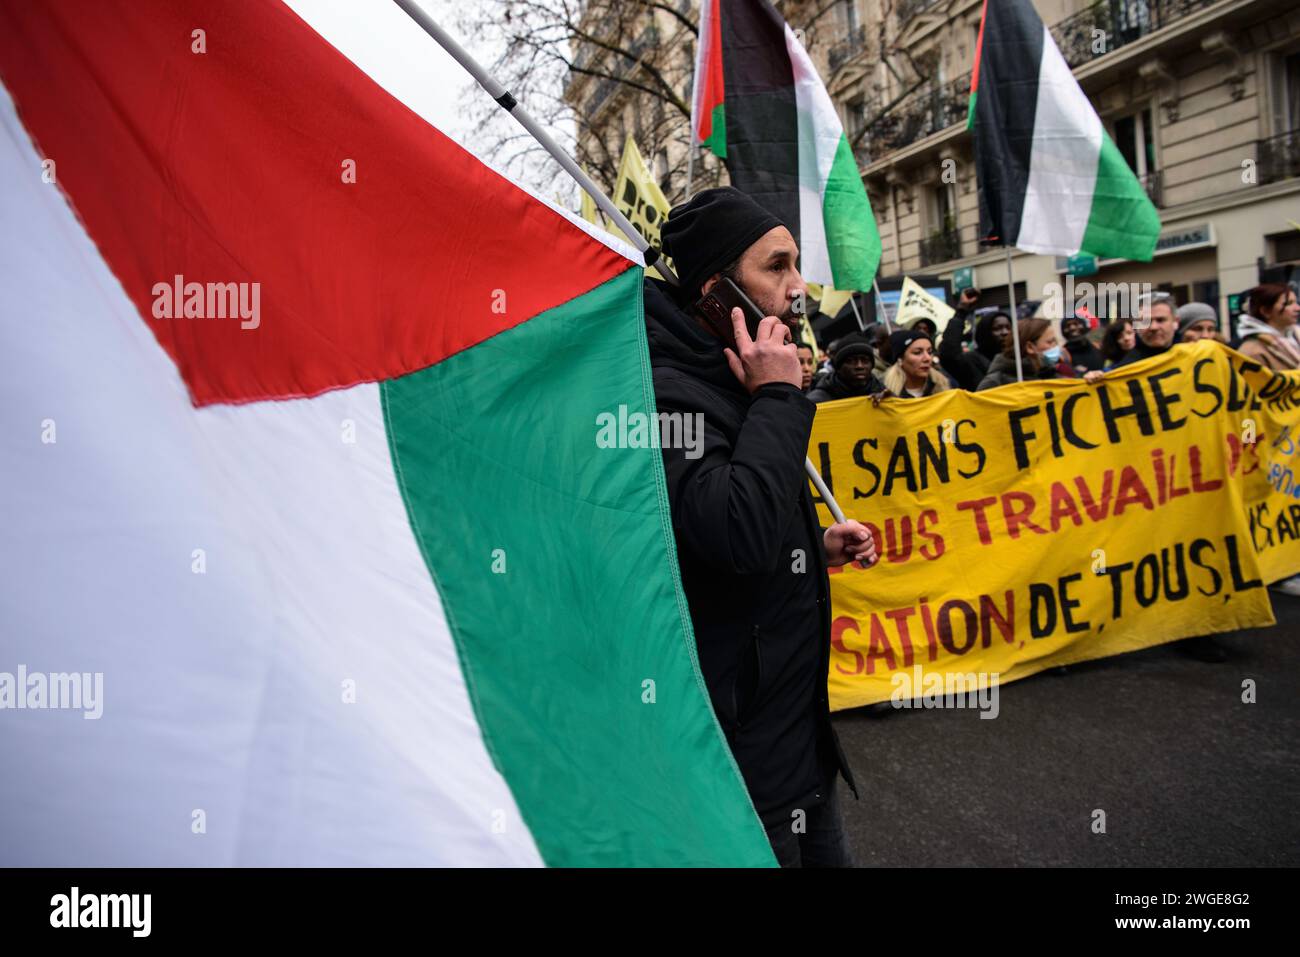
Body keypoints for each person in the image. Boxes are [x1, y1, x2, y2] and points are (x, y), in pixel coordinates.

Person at [647, 186, 876, 866]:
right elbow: (734, 533)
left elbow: (756, 520)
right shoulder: (665, 390)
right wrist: (778, 396)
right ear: (718, 292)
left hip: (799, 745)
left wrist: (813, 546)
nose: (797, 287)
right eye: (776, 266)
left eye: (796, 264)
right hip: (739, 767)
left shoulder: (736, 373)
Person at [977, 318, 1102, 390]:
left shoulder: (1056, 375)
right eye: (1050, 342)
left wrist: (1089, 380)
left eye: (1056, 341)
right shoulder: (995, 383)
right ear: (1030, 347)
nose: (1056, 347)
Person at [937, 288, 1012, 391]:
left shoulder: (1018, 360)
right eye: (997, 328)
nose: (1005, 332)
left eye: (1008, 328)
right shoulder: (972, 361)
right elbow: (948, 354)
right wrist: (961, 311)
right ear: (984, 333)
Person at [1236, 283, 1300, 372]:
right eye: (1288, 303)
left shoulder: (1295, 338)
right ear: (1266, 311)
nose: (1298, 308)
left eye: (1296, 302)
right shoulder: (1253, 352)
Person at [806, 333, 885, 403]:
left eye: (865, 360)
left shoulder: (884, 396)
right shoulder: (817, 403)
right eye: (851, 361)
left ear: (872, 365)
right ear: (838, 367)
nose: (859, 366)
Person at [881, 328, 951, 398]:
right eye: (917, 353)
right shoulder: (881, 389)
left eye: (929, 352)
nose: (927, 358)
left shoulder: (943, 386)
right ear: (900, 359)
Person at [1112, 293, 1178, 368]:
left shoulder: (1191, 355)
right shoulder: (1126, 368)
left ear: (1176, 322)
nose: (1154, 327)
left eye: (1160, 320)